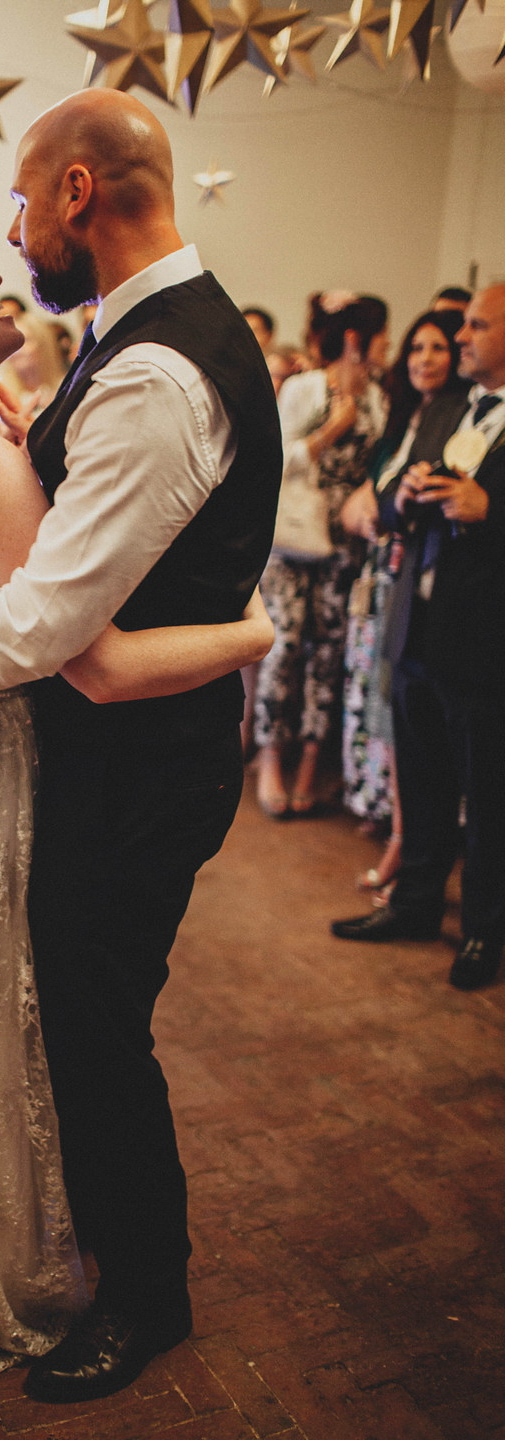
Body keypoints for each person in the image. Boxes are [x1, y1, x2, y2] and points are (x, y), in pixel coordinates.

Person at [0, 89, 283, 1402]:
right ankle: (110, 1251)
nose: (16, 225)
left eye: (24, 199)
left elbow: (56, 625)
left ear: (80, 193)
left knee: (96, 1021)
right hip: (119, 742)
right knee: (83, 1013)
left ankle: (148, 1296)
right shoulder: (128, 337)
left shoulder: (161, 370)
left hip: (145, 762)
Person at [332, 284, 505, 992]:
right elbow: (393, 489)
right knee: (424, 779)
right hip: (419, 625)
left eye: (477, 326)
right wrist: (402, 498)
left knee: (488, 796)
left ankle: (483, 934)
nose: (462, 338)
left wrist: (489, 510)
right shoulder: (447, 408)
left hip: (486, 640)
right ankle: (414, 905)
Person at [340, 310, 468, 895]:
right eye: (416, 347)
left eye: (439, 347)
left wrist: (389, 504)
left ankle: (406, 852)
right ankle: (406, 850)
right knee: (390, 718)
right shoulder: (408, 415)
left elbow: (397, 501)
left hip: (430, 588)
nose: (425, 358)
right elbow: (380, 498)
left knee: (415, 731)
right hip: (389, 581)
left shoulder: (459, 414)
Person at [254, 292, 389, 818]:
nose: (388, 345)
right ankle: (270, 758)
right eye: (382, 335)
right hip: (291, 535)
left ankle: (310, 760)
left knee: (329, 646)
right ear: (355, 340)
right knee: (283, 642)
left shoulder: (380, 397)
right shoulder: (306, 388)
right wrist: (327, 433)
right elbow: (272, 458)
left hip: (346, 538)